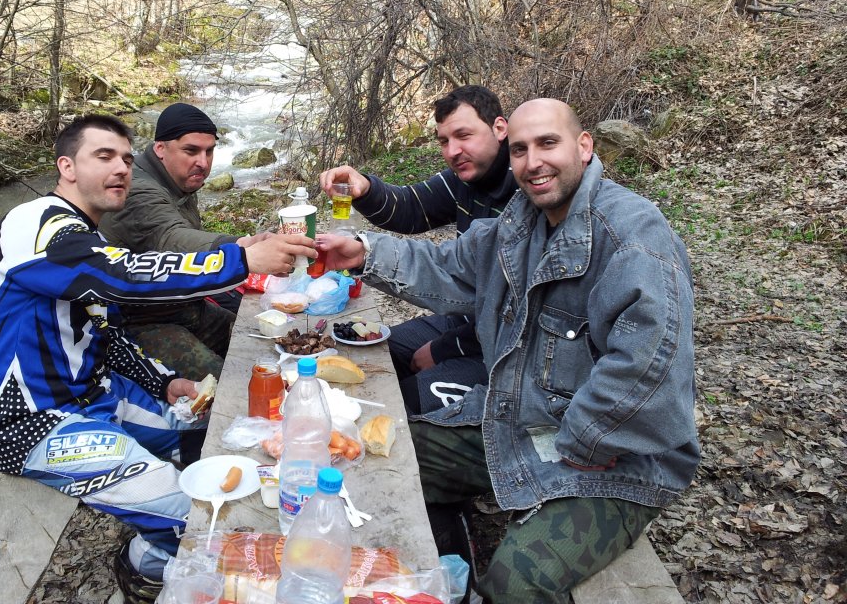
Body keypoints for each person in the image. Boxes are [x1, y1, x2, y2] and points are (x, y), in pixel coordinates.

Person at [318, 98, 699, 603]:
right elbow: (450, 268)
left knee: (514, 585)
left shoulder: (634, 237)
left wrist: (584, 440)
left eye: (548, 143)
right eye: (520, 150)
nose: (533, 162)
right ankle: (436, 573)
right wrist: (363, 252)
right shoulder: (521, 222)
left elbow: (650, 368)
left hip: (614, 457)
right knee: (389, 462)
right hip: (523, 420)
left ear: (584, 146)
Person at [0, 114, 314, 604]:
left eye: (128, 159)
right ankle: (145, 565)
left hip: (98, 398)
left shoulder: (87, 238)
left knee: (219, 428)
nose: (121, 169)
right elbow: (124, 275)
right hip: (36, 423)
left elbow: (105, 330)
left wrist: (162, 383)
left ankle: (183, 536)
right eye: (103, 156)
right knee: (195, 511)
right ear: (66, 166)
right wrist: (237, 260)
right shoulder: (37, 223)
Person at [318, 85, 518, 415]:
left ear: (499, 128)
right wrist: (365, 189)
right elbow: (412, 209)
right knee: (365, 355)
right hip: (462, 321)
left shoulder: (527, 192)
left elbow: (513, 310)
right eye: (444, 141)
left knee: (403, 404)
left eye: (463, 135)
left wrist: (444, 349)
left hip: (505, 351)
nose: (453, 151)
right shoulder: (466, 178)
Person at [100, 103, 270, 379]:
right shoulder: (136, 190)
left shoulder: (179, 178)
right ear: (160, 148)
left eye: (209, 151)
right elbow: (172, 237)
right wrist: (244, 247)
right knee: (226, 383)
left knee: (255, 345)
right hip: (139, 322)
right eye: (191, 151)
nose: (203, 162)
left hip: (184, 305)